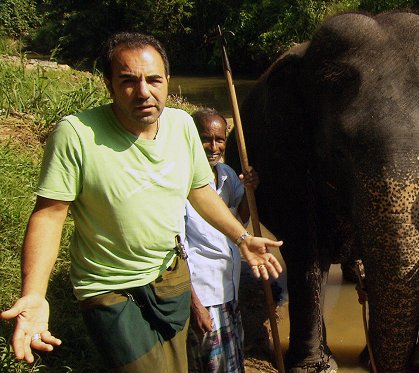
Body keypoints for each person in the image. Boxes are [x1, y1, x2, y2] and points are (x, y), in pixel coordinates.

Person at [1, 32, 282, 372]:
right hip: (109, 285)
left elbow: (201, 191)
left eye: (153, 79)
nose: (144, 92)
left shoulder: (181, 125)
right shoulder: (76, 135)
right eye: (129, 81)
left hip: (169, 273)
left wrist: (242, 238)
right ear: (109, 84)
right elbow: (49, 216)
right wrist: (34, 293)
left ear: (167, 81)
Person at [185, 108, 255, 372]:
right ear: (192, 138)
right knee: (211, 365)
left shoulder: (225, 174)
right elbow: (176, 248)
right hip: (204, 293)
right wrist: (195, 304)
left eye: (219, 139)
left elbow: (241, 218)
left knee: (232, 360)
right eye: (206, 138)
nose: (213, 146)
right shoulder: (182, 180)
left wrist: (250, 188)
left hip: (228, 288)